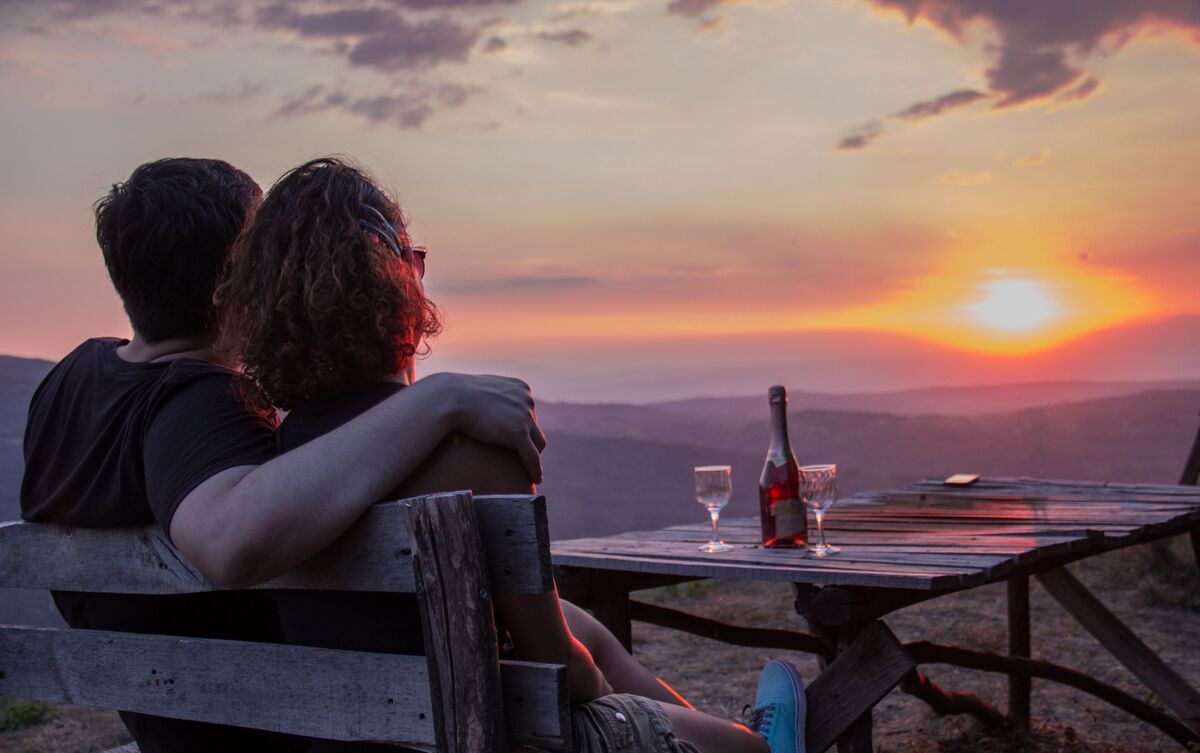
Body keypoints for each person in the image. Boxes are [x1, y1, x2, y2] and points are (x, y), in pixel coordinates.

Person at [215, 157, 807, 753]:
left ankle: (723, 732)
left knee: (592, 634)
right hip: (492, 733)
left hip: (358, 734)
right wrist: (620, 709)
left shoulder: (279, 470)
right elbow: (558, 670)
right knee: (746, 748)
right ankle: (751, 742)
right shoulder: (471, 451)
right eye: (412, 262)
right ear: (390, 282)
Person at [20, 158, 548, 753]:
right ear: (244, 273)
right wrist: (437, 400)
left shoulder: (75, 378)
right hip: (271, 723)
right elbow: (230, 541)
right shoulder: (199, 402)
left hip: (169, 713)